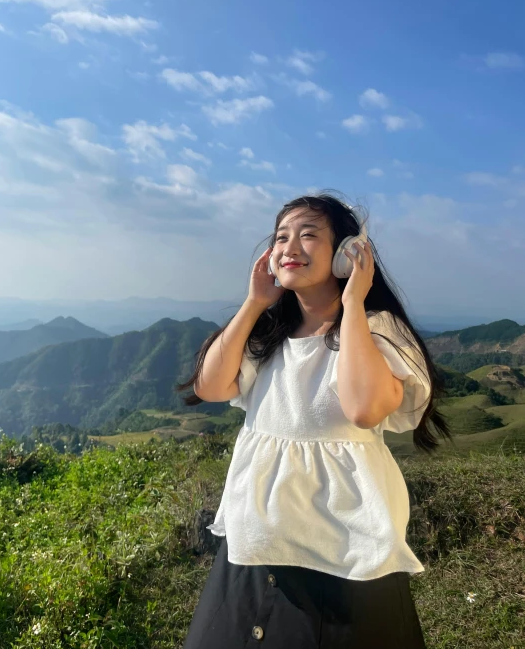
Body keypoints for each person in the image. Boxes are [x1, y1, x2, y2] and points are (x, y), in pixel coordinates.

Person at [178, 191, 452, 649]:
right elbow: (209, 386)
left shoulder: (376, 329)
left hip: (343, 555)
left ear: (347, 253)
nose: (289, 247)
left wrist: (354, 303)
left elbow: (363, 408)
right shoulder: (267, 335)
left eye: (308, 235)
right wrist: (253, 302)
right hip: (254, 547)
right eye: (281, 236)